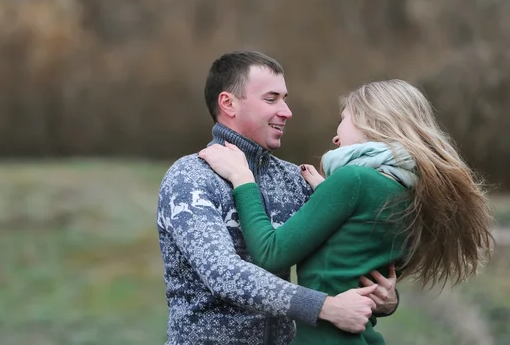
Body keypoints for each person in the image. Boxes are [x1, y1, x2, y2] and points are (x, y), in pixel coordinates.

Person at [198, 79, 495, 344]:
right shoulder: (409, 191)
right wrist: (325, 193)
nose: (336, 137)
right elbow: (357, 253)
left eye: (343, 120)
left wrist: (243, 179)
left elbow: (270, 252)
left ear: (369, 121)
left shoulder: (353, 181)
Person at [157, 51, 399, 345]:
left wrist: (384, 298)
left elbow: (347, 255)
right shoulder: (190, 177)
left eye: (284, 98)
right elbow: (222, 274)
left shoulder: (294, 179)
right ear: (228, 103)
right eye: (271, 99)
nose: (287, 111)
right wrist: (326, 307)